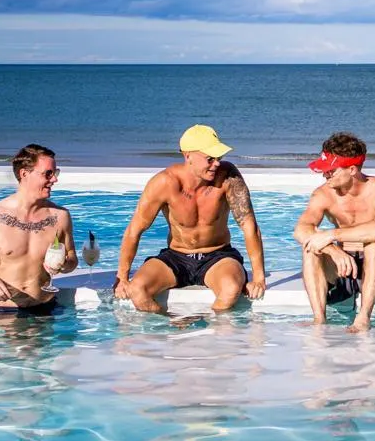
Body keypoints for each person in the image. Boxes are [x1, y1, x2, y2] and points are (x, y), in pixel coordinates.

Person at [114, 124, 267, 314]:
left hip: (218, 256)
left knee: (230, 291)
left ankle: (209, 332)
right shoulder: (165, 183)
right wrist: (122, 277)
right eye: (210, 158)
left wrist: (259, 278)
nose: (217, 163)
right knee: (137, 290)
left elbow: (249, 227)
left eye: (219, 157)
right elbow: (134, 230)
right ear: (188, 156)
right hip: (176, 257)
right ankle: (172, 327)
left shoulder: (228, 177)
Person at [295, 132, 375, 332]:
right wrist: (332, 249)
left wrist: (331, 235)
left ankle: (363, 318)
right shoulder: (323, 194)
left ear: (352, 169)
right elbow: (301, 230)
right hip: (343, 266)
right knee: (310, 248)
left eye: (331, 170)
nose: (324, 175)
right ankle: (319, 318)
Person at [0, 143, 77, 316]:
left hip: (45, 308)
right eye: (48, 173)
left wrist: (63, 264)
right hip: (4, 310)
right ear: (24, 174)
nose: (54, 179)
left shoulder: (60, 216)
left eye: (55, 173)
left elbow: (72, 260)